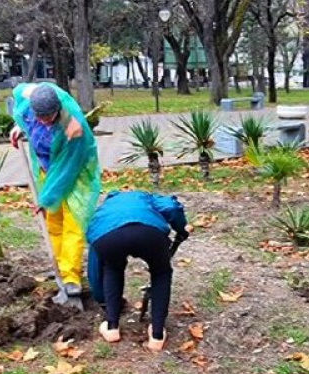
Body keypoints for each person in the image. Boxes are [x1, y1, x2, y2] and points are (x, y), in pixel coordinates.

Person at [10, 82, 101, 296]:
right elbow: (21, 95)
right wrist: (19, 127)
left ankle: (71, 277)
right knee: (53, 222)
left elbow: (65, 172)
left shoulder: (73, 129)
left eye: (48, 117)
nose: (44, 121)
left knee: (73, 224)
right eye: (39, 117)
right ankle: (60, 268)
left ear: (58, 110)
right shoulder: (27, 100)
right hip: (47, 170)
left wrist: (45, 198)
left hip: (74, 174)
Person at [85, 190, 189, 352]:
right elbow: (171, 207)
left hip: (107, 236)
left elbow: (94, 268)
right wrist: (181, 229)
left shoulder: (104, 209)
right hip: (148, 233)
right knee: (161, 273)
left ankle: (112, 327)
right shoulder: (146, 196)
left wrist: (100, 298)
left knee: (112, 269)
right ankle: (157, 334)